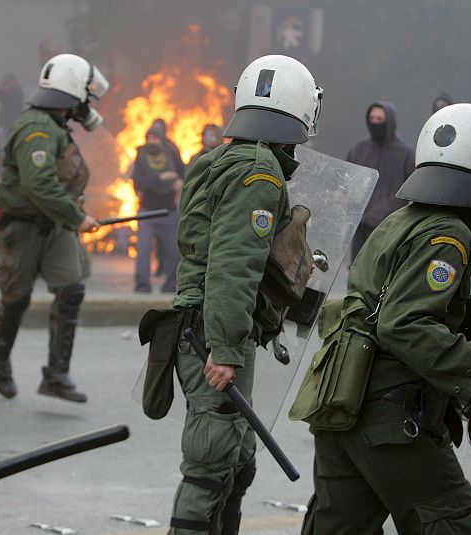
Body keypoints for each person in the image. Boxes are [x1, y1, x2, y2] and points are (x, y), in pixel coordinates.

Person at [300, 103, 471, 535]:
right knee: (450, 522)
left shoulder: (401, 220)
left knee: (338, 527)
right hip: (391, 418)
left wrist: (463, 342)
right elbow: (403, 323)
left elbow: (385, 309)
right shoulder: (447, 233)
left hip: (341, 401)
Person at [167, 55, 323, 534]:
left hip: (207, 325)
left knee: (236, 458)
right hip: (216, 332)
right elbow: (234, 266)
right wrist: (227, 348)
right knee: (212, 462)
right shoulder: (258, 169)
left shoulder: (220, 159)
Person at [0, 54, 109, 403]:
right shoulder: (36, 127)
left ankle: (56, 375)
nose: (88, 103)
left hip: (54, 227)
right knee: (16, 298)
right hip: (20, 227)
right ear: (72, 90)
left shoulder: (56, 126)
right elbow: (38, 184)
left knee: (71, 291)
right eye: (85, 94)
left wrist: (71, 216)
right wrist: (78, 218)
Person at [346, 101, 415, 260]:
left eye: (380, 119)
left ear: (390, 121)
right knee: (356, 266)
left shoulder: (406, 153)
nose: (375, 122)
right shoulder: (359, 149)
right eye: (372, 118)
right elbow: (345, 180)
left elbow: (413, 189)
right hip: (360, 223)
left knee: (379, 269)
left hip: (390, 225)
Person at [131, 125, 183, 293]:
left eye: (156, 138)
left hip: (169, 211)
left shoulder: (172, 153)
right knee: (143, 251)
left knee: (173, 253)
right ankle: (142, 287)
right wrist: (160, 177)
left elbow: (184, 175)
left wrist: (179, 182)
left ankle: (169, 286)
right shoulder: (141, 156)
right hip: (147, 211)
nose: (152, 141)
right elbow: (139, 183)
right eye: (149, 138)